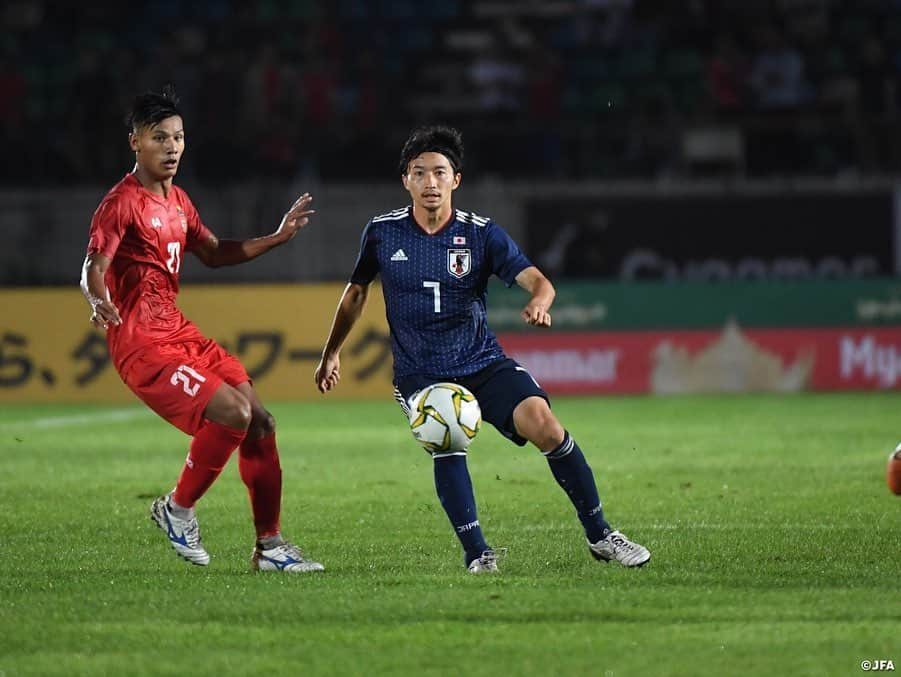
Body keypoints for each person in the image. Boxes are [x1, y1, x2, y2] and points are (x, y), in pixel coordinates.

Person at [314, 125, 650, 573]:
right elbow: (356, 294)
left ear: (456, 179)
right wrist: (331, 352)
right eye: (419, 173)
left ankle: (602, 534)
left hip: (481, 361)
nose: (430, 182)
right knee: (448, 433)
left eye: (439, 172)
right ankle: (478, 554)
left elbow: (539, 282)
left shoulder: (481, 234)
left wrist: (539, 302)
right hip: (420, 372)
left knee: (545, 425)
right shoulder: (382, 233)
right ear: (405, 181)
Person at [80, 86, 323, 573]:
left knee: (261, 421)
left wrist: (276, 238)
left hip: (178, 330)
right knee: (231, 412)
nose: (172, 147)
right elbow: (93, 263)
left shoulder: (178, 201)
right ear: (135, 142)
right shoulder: (120, 203)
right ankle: (176, 508)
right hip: (142, 342)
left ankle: (269, 547)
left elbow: (212, 253)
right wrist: (98, 299)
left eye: (179, 137)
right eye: (159, 138)